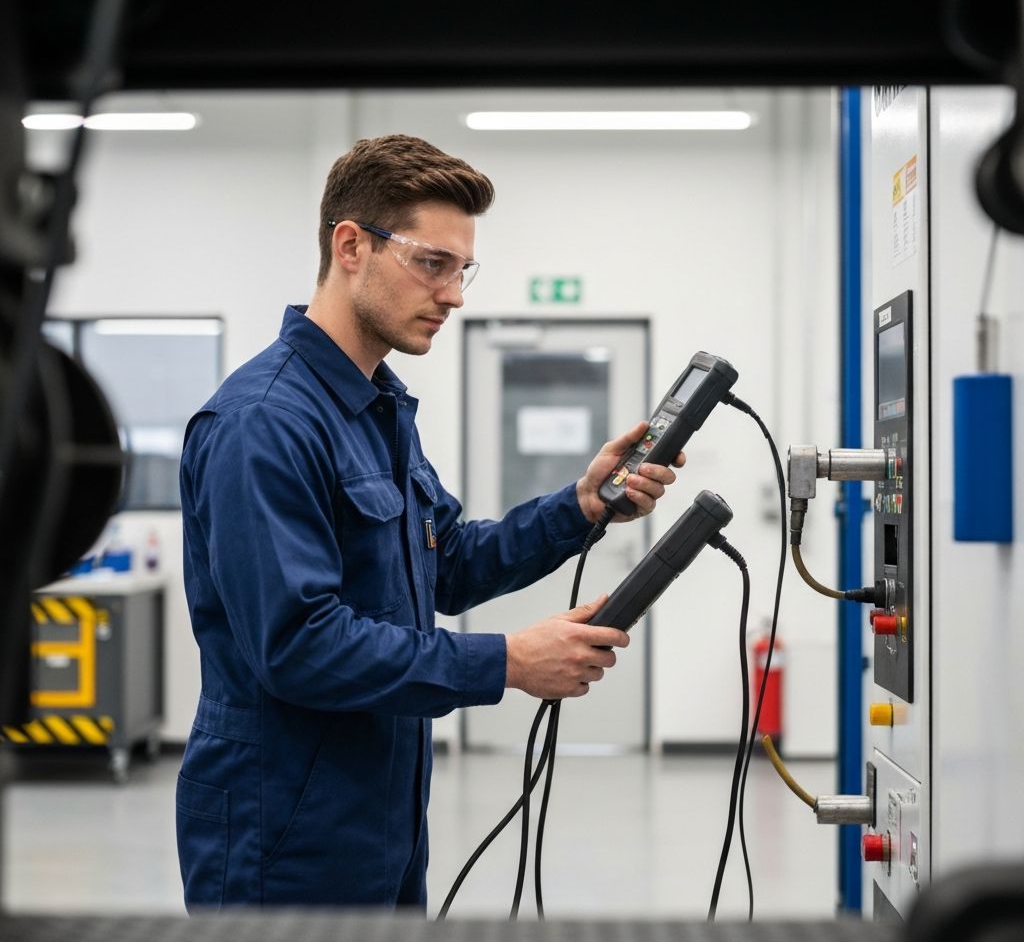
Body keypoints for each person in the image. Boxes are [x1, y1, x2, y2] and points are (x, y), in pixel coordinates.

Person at [176, 134, 684, 911]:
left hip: (378, 816)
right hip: (280, 830)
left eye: (462, 270)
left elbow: (447, 565)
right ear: (351, 246)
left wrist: (579, 507)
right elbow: (297, 645)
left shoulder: (376, 408)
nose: (453, 294)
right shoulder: (265, 424)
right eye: (431, 263)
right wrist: (508, 661)